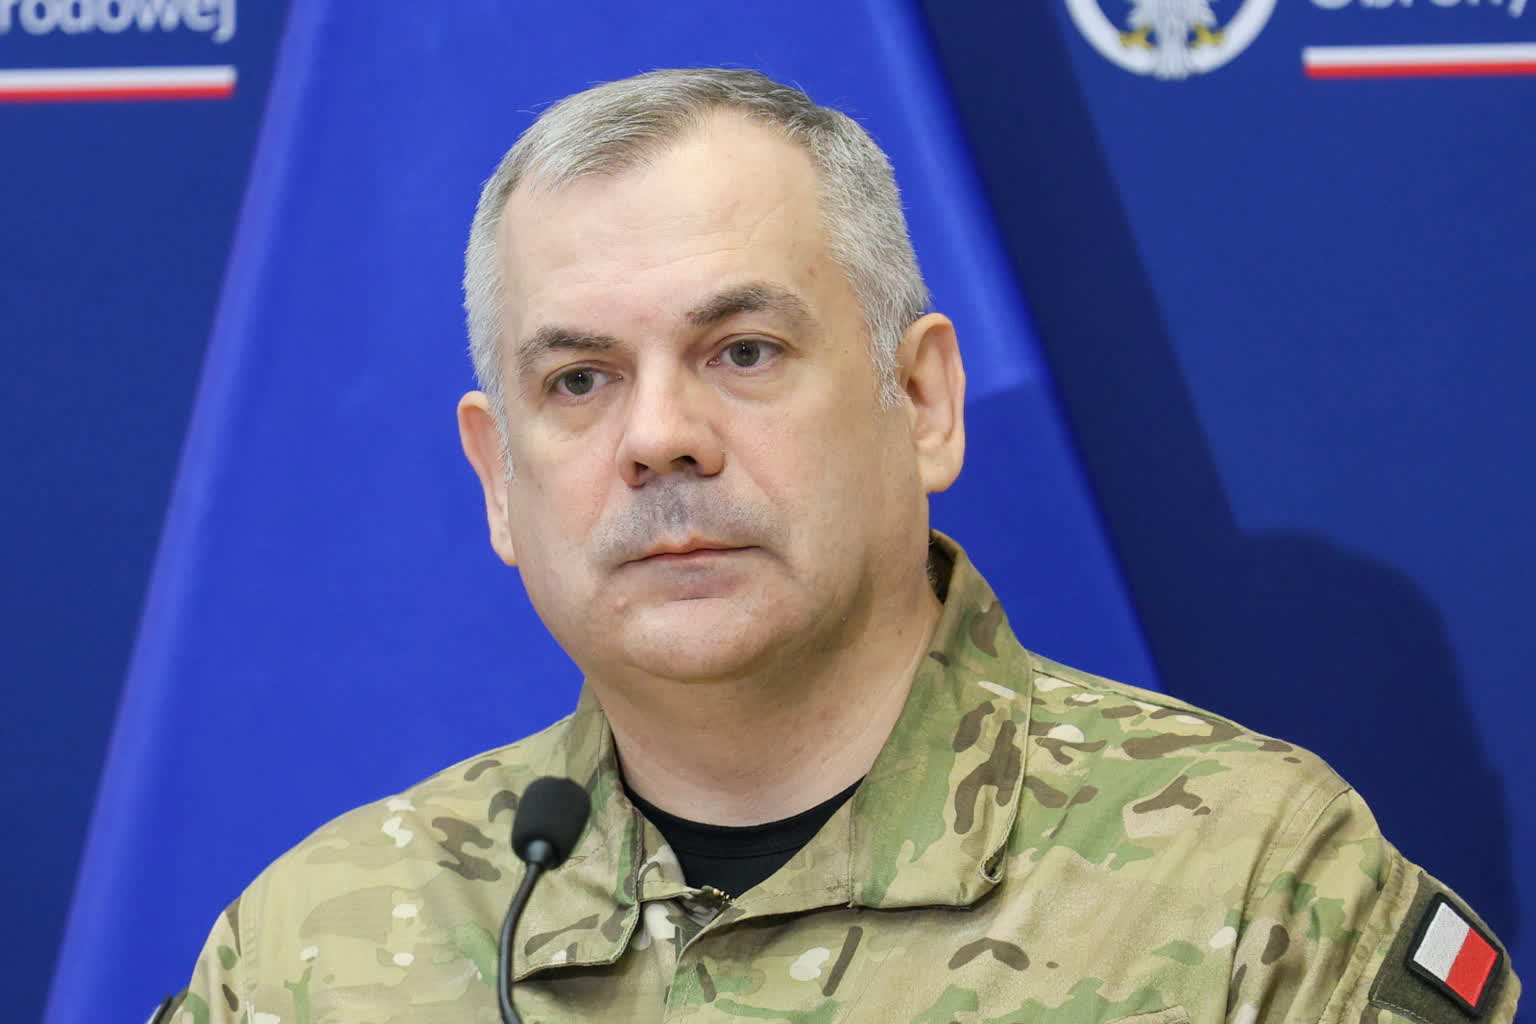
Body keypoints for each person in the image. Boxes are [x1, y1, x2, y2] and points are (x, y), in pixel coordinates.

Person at [164, 68, 1520, 1023]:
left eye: (743, 351)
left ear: (921, 401)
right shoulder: (309, 955)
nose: (660, 436)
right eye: (578, 380)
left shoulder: (1254, 883)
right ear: (499, 479)